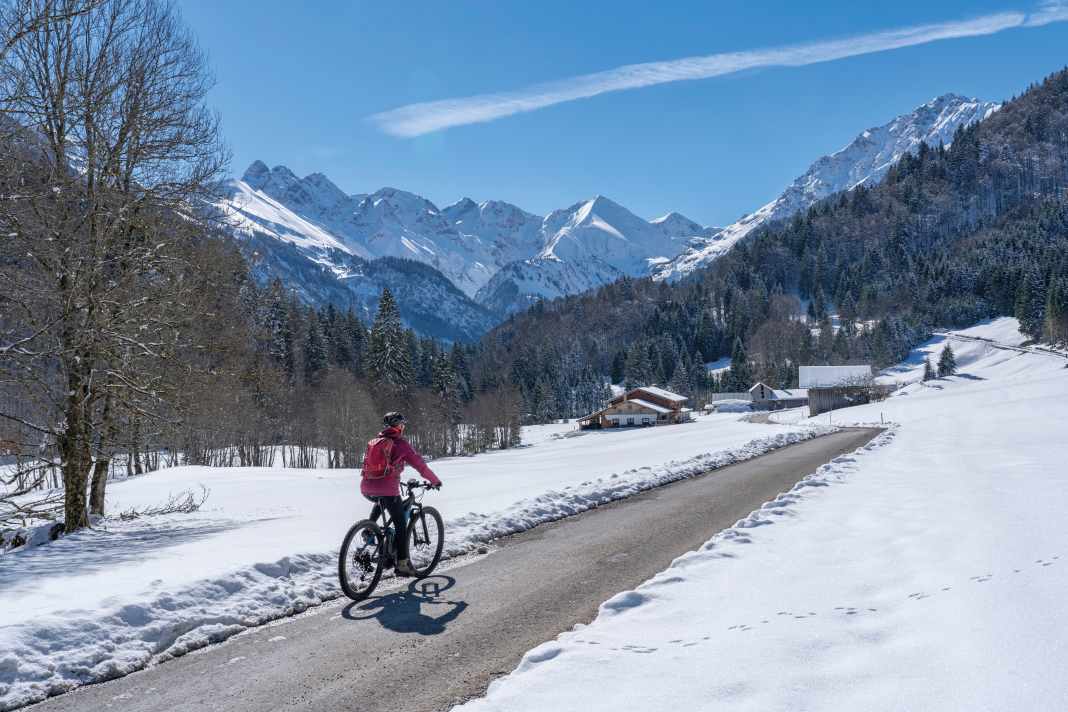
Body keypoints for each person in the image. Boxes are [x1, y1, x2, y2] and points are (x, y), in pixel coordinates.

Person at [361, 412, 441, 577]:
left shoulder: (376, 441)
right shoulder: (401, 444)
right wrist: (435, 481)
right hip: (388, 489)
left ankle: (369, 530)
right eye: (402, 425)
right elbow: (420, 465)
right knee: (400, 526)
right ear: (398, 426)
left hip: (366, 487)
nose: (403, 428)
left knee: (381, 502)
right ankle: (402, 564)